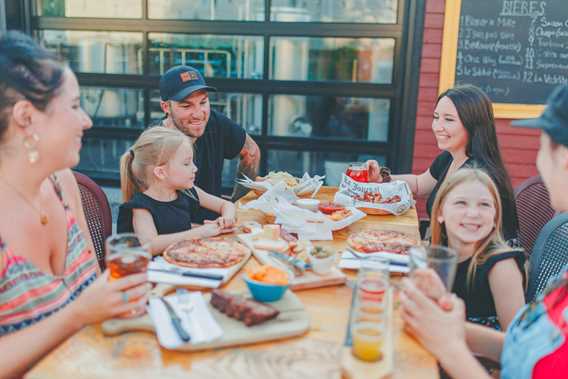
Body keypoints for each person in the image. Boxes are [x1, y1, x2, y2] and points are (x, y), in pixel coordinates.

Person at [0, 31, 148, 378]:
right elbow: (82, 310)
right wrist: (79, 313)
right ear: (26, 117)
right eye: (74, 105)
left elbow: (95, 295)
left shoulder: (64, 183)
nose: (87, 120)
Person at [400, 84, 568, 378]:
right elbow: (523, 352)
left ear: (562, 159)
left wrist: (450, 347)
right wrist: (448, 325)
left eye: (541, 147)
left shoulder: (500, 264)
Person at [367, 85, 518, 241]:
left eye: (449, 119)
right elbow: (420, 184)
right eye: (436, 117)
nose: (437, 127)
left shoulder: (475, 177)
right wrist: (382, 178)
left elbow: (468, 242)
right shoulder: (450, 157)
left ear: (473, 124)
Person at [159, 65, 260, 222]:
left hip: (217, 226)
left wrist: (236, 204)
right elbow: (155, 226)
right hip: (175, 236)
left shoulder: (216, 121)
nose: (198, 114)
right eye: (186, 106)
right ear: (166, 107)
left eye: (203, 102)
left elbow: (251, 152)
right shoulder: (154, 145)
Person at [430, 168, 525, 330]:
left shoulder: (501, 267)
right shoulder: (438, 257)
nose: (473, 213)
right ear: (440, 213)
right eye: (461, 203)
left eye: (484, 205)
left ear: (495, 218)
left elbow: (516, 345)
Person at [117, 126, 236, 255]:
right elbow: (149, 245)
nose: (195, 168)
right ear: (161, 172)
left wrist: (226, 219)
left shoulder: (188, 191)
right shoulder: (141, 207)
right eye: (186, 164)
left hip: (183, 260)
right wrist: (199, 232)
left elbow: (226, 204)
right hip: (156, 271)